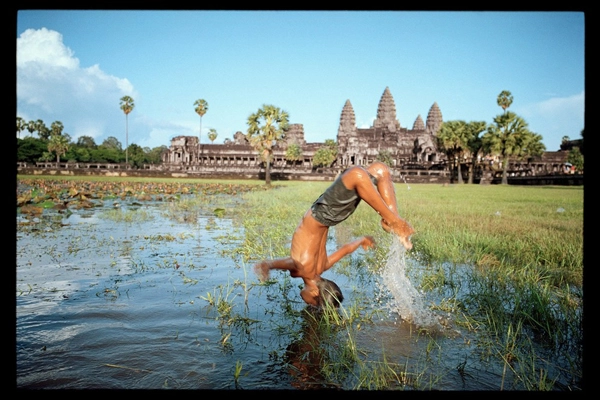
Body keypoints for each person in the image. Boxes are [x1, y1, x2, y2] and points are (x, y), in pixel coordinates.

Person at [254, 161, 415, 308]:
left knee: (380, 171)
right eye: (313, 304)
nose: (310, 304)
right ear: (315, 293)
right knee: (356, 174)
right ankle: (394, 221)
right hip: (325, 213)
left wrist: (362, 240)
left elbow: (346, 249)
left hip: (334, 216)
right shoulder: (302, 268)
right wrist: (267, 265)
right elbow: (287, 264)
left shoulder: (323, 266)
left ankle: (393, 222)